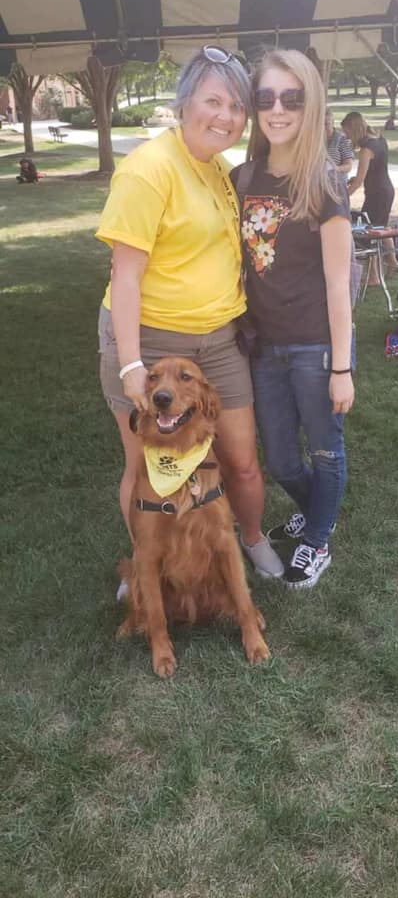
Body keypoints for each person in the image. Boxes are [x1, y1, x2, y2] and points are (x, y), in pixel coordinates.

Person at [96, 45, 283, 581]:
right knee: (146, 467)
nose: (226, 116)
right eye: (213, 101)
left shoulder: (219, 168)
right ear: (185, 104)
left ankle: (251, 538)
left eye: (237, 107)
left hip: (219, 342)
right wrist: (132, 364)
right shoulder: (148, 170)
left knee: (241, 458)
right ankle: (146, 568)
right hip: (151, 342)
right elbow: (125, 275)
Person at [230, 50, 354, 590]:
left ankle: (318, 539)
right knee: (280, 460)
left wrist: (342, 368)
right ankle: (319, 512)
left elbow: (338, 283)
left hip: (315, 347)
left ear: (311, 104)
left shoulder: (325, 183)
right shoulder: (241, 178)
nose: (277, 110)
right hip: (263, 348)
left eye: (292, 98)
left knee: (325, 451)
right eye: (266, 98)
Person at [341, 111, 398, 283]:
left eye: (347, 132)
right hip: (386, 190)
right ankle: (393, 262)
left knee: (370, 232)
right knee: (381, 227)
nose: (347, 137)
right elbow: (375, 169)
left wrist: (343, 197)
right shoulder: (380, 140)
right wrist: (356, 179)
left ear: (354, 129)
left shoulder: (366, 150)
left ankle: (374, 276)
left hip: (377, 194)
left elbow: (359, 181)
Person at [325, 107, 354, 178]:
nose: (323, 127)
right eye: (320, 124)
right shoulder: (313, 140)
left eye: (326, 124)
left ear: (333, 122)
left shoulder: (342, 140)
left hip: (336, 182)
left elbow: (349, 165)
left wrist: (336, 168)